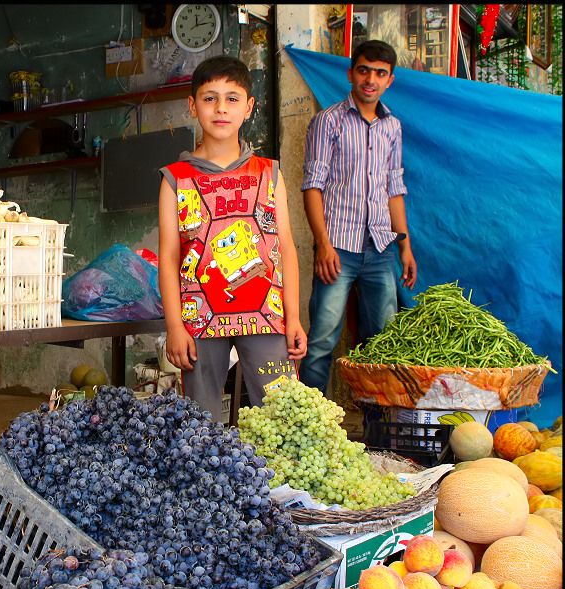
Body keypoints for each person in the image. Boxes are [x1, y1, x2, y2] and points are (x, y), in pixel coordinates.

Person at [157, 55, 307, 421]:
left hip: (267, 317)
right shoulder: (175, 178)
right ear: (192, 106)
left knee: (282, 416)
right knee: (201, 421)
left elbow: (285, 245)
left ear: (249, 107)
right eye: (209, 98)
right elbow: (169, 257)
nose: (221, 108)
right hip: (200, 319)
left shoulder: (269, 172)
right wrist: (175, 327)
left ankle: (280, 481)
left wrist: (294, 318)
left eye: (232, 98)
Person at [299, 39, 417, 396]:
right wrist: (323, 244)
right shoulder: (328, 121)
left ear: (390, 80)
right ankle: (308, 423)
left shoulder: (392, 127)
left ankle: (376, 428)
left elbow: (394, 190)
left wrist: (405, 248)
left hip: (380, 249)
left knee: (380, 345)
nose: (371, 79)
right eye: (364, 70)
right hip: (338, 249)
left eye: (380, 73)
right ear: (351, 73)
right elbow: (312, 186)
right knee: (321, 340)